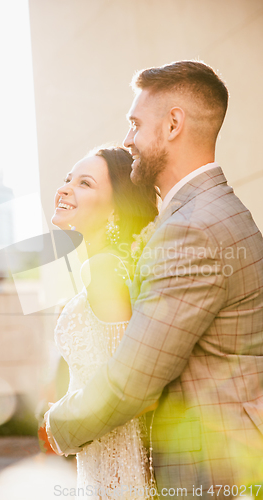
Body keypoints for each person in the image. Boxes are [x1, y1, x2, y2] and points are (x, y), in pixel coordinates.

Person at [46, 61, 263, 499]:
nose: (128, 140)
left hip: (211, 473)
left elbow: (135, 382)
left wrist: (55, 426)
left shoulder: (192, 228)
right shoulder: (209, 212)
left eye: (135, 124)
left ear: (173, 124)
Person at [45, 146, 159, 499]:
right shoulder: (106, 265)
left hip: (116, 469)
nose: (64, 189)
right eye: (67, 180)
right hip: (101, 461)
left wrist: (59, 421)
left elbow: (129, 387)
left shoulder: (104, 268)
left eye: (84, 183)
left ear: (114, 207)